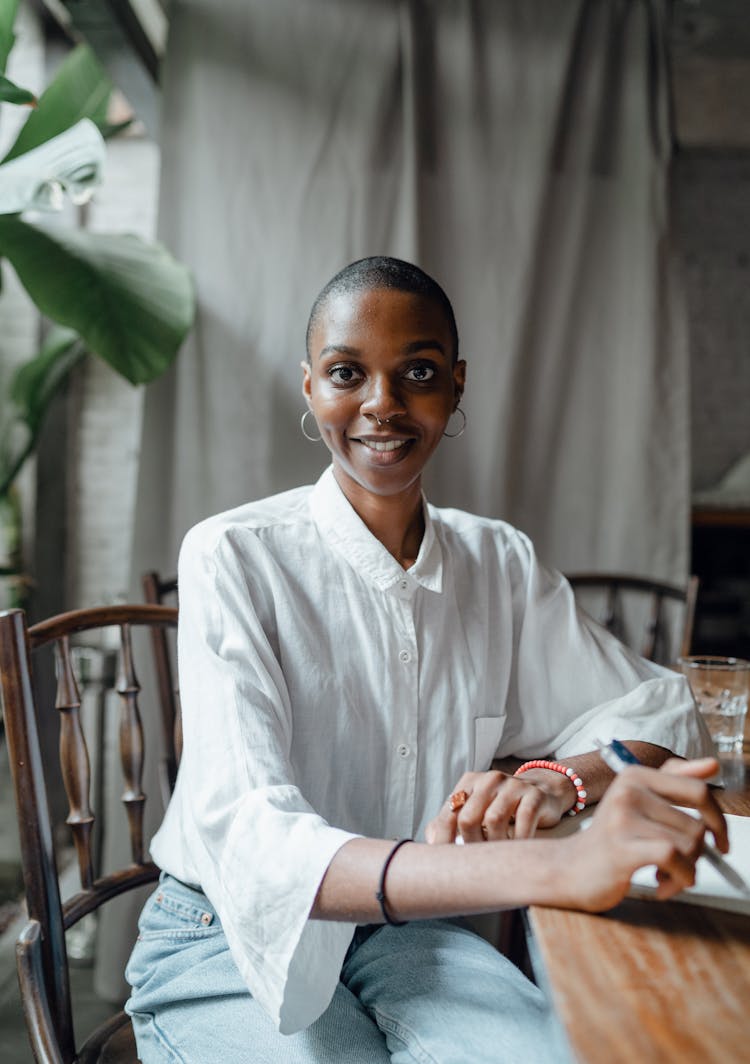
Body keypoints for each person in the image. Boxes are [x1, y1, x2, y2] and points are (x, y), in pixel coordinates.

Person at [126, 256, 723, 1063]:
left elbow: (659, 712)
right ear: (309, 388)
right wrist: (552, 869)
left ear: (456, 385)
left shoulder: (498, 561)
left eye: (418, 371)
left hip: (412, 938)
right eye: (347, 373)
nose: (383, 404)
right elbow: (257, 843)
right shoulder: (232, 556)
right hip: (225, 936)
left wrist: (556, 780)